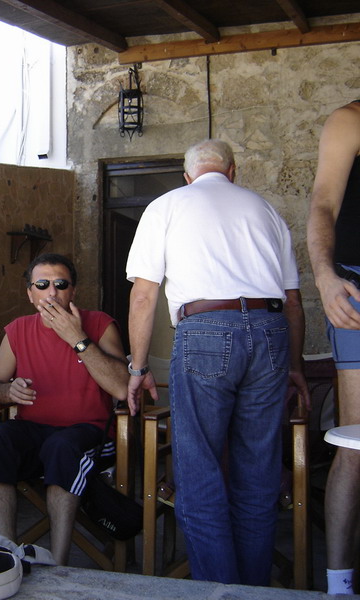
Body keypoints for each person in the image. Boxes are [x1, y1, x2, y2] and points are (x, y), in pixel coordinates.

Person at [126, 139, 308, 585]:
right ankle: (254, 592)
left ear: (187, 175)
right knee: (259, 474)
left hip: (205, 329)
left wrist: (138, 368)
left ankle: (221, 593)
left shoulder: (166, 206)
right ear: (233, 170)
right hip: (270, 331)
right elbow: (293, 302)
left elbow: (144, 295)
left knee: (199, 471)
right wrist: (295, 366)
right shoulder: (265, 210)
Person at [0, 253, 129, 566]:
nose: (52, 292)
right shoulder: (19, 329)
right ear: (31, 294)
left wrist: (77, 338)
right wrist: (7, 391)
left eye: (61, 284)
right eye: (42, 285)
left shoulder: (100, 324)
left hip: (90, 432)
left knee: (61, 446)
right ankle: (8, 554)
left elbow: (122, 388)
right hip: (35, 431)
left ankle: (58, 565)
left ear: (73, 291)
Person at [307, 100, 360, 595]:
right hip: (357, 287)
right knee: (356, 441)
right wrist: (324, 277)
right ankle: (340, 584)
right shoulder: (352, 119)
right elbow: (323, 202)